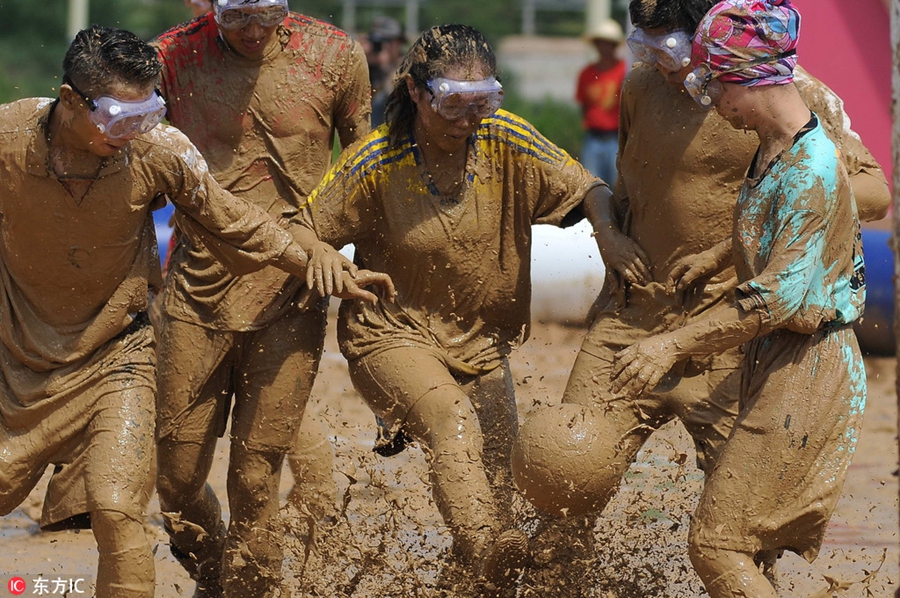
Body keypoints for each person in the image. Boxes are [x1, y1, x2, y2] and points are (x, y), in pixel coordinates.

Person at [510, 0, 889, 594]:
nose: (663, 67)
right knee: (566, 483)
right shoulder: (637, 89)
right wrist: (609, 232)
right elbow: (626, 185)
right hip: (633, 316)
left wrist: (783, 215)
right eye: (645, 47)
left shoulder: (789, 95)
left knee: (733, 534)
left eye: (673, 51)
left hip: (734, 329)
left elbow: (871, 190)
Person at [0, 25, 386, 598]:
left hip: (117, 358)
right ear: (69, 99)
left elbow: (236, 220)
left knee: (116, 506)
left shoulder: (159, 151)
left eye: (146, 114)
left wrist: (314, 263)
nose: (132, 132)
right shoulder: (8, 139)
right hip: (16, 362)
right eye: (116, 117)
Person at [293, 23, 613, 596]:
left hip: (482, 344)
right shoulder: (376, 160)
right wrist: (328, 265)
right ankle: (487, 546)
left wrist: (615, 241)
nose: (468, 119)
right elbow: (304, 232)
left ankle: (469, 577)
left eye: (482, 101)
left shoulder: (506, 138)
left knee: (498, 494)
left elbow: (588, 187)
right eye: (453, 103)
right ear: (417, 93)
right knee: (453, 424)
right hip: (389, 333)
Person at [609, 1, 866, 595]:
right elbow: (773, 231)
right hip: (774, 359)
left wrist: (669, 344)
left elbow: (776, 299)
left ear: (751, 76)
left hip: (808, 365)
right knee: (741, 543)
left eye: (714, 83)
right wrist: (722, 255)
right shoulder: (771, 146)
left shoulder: (811, 168)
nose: (710, 101)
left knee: (718, 546)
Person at [151, 1, 372, 595]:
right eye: (237, 14)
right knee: (174, 481)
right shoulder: (169, 59)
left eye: (267, 12)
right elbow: (130, 161)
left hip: (292, 294)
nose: (253, 29)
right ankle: (216, 571)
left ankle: (250, 587)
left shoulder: (334, 56)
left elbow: (366, 162)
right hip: (197, 289)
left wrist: (340, 254)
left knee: (255, 477)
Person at [575, 18, 627, 185]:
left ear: (614, 46)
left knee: (618, 185)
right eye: (600, 43)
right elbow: (583, 104)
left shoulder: (624, 71)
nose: (604, 48)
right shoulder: (586, 73)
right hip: (593, 137)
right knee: (591, 186)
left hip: (615, 137)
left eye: (608, 43)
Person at [367, 15, 406, 127]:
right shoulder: (368, 64)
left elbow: (391, 93)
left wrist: (386, 68)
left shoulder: (405, 66)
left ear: (397, 43)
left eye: (385, 41)